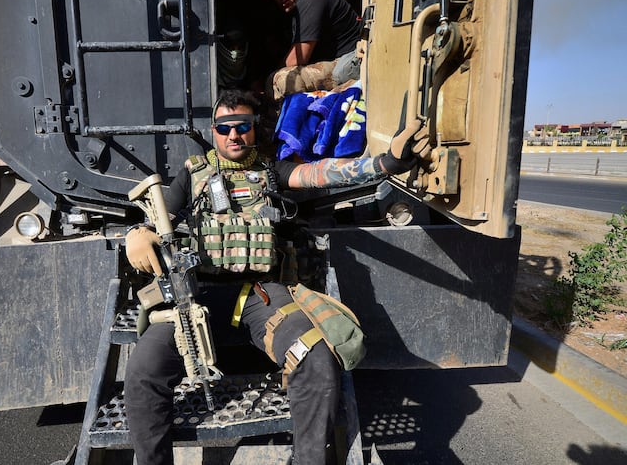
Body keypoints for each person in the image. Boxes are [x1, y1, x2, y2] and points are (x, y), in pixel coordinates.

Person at [123, 89, 425, 465]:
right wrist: (136, 235)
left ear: (254, 129)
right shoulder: (192, 175)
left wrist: (385, 162)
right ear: (213, 131)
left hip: (262, 298)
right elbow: (156, 220)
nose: (234, 135)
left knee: (314, 356)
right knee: (142, 370)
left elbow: (323, 172)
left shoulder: (272, 171)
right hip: (197, 300)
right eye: (224, 127)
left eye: (242, 126)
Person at [268, 0, 364, 101]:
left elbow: (298, 58)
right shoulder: (296, 5)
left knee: (281, 79)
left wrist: (271, 76)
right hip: (339, 61)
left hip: (349, 61)